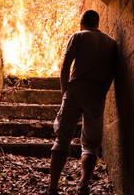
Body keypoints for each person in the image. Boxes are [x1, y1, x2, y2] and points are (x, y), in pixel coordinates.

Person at [46, 10, 116, 195]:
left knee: (62, 139)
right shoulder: (110, 42)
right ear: (97, 23)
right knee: (91, 144)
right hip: (96, 93)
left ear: (81, 23)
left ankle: (53, 187)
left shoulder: (77, 36)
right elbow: (111, 71)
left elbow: (65, 66)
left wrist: (64, 91)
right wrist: (102, 91)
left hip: (75, 91)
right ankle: (83, 184)